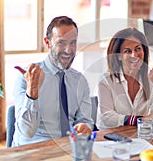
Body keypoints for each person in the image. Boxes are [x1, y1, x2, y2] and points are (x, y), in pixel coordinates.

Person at [12, 16, 93, 146]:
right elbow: (27, 132)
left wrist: (84, 126)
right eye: (61, 42)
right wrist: (32, 92)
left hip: (67, 149)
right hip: (32, 150)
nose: (68, 50)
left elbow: (84, 120)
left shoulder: (80, 81)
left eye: (73, 43)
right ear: (48, 42)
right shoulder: (27, 77)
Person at [97, 27, 153, 129]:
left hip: (139, 137)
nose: (134, 55)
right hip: (110, 138)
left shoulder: (151, 77)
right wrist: (142, 120)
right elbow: (107, 118)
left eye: (138, 49)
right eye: (127, 51)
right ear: (118, 56)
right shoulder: (106, 80)